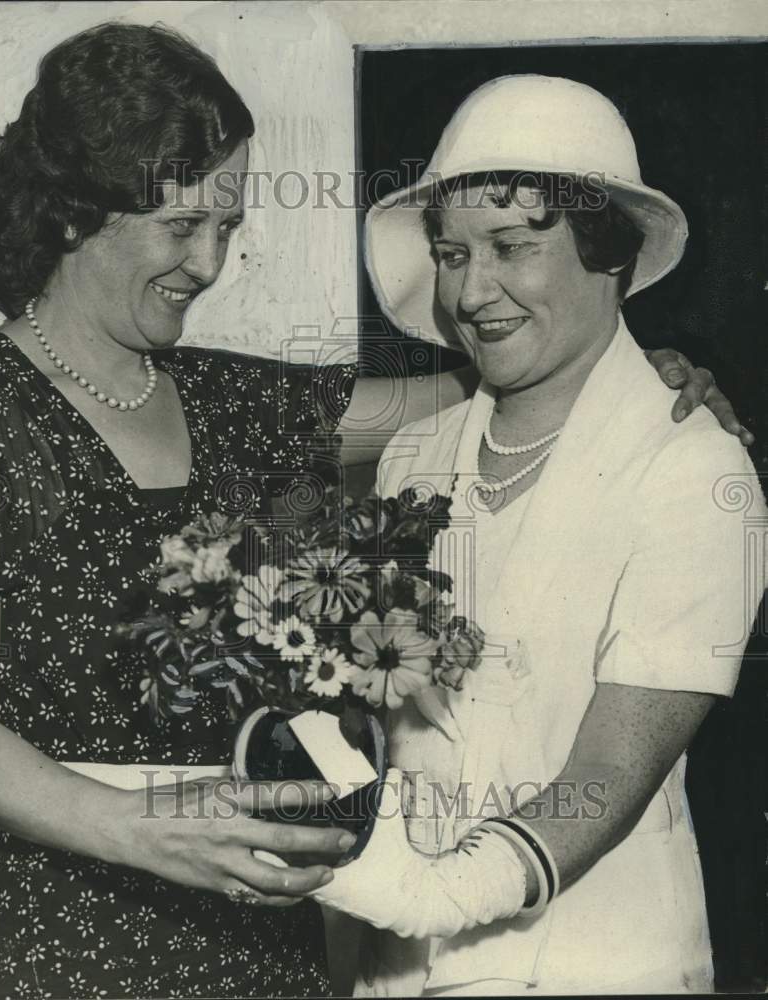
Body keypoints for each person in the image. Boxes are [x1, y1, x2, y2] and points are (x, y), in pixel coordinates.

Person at [0, 24, 749, 999]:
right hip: (87, 935)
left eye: (229, 228)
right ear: (77, 213)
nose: (209, 264)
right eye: (181, 226)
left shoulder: (232, 402)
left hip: (271, 940)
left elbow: (497, 374)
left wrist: (646, 370)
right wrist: (143, 828)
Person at [311, 74, 767, 995]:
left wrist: (434, 894)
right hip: (397, 963)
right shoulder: (412, 456)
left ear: (607, 252)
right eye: (449, 253)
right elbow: (381, 721)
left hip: (592, 959)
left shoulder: (694, 470)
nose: (473, 291)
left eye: (511, 247)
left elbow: (611, 768)